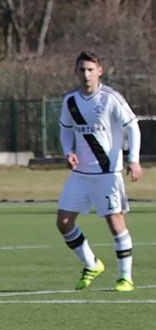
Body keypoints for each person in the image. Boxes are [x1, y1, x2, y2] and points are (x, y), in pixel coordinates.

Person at [56, 50, 143, 292]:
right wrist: (67, 152)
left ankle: (126, 278)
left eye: (90, 70)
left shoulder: (110, 98)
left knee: (115, 224)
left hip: (107, 175)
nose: (86, 75)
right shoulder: (70, 101)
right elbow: (65, 128)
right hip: (80, 175)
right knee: (63, 222)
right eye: (82, 70)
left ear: (99, 71)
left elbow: (133, 126)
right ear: (76, 72)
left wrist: (133, 160)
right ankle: (91, 264)